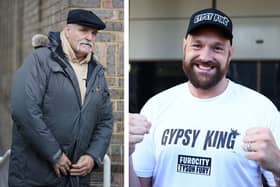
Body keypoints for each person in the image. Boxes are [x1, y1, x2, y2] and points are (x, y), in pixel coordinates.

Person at [129, 8, 280, 187]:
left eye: (217, 48)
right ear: (184, 47)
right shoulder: (155, 107)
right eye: (197, 45)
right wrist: (128, 153)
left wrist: (278, 165)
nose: (205, 56)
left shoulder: (261, 109)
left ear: (229, 54)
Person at [9, 9, 114, 187]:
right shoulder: (40, 61)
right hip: (35, 178)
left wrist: (93, 155)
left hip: (76, 180)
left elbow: (105, 120)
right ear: (67, 30)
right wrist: (54, 154)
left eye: (94, 33)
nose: (89, 37)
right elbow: (24, 110)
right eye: (84, 30)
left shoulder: (96, 72)